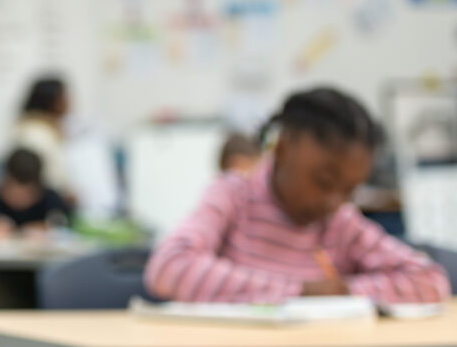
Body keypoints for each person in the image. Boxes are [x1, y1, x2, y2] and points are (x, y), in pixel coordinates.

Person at [144, 86, 451, 304]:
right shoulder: (234, 195)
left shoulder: (339, 222)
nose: (334, 201)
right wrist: (301, 293)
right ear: (284, 148)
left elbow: (429, 280)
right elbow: (168, 268)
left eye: (349, 190)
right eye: (324, 180)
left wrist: (343, 292)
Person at [0, 147, 71, 239]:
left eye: (28, 192)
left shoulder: (51, 199)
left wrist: (47, 227)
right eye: (15, 191)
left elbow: (66, 223)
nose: (21, 198)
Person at [12, 76, 74, 204]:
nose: (68, 102)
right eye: (63, 97)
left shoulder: (52, 129)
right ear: (51, 101)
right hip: (43, 203)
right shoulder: (34, 133)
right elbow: (33, 176)